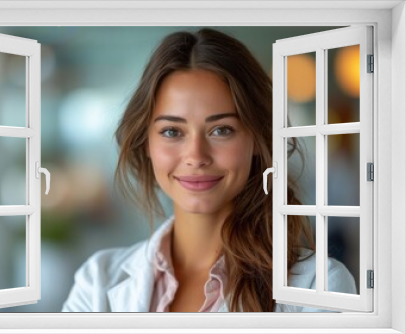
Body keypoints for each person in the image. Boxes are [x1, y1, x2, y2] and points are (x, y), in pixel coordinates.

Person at [62, 28, 356, 312]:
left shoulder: (320, 288)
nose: (196, 156)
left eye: (221, 130)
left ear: (257, 138)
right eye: (172, 132)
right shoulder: (96, 282)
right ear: (146, 143)